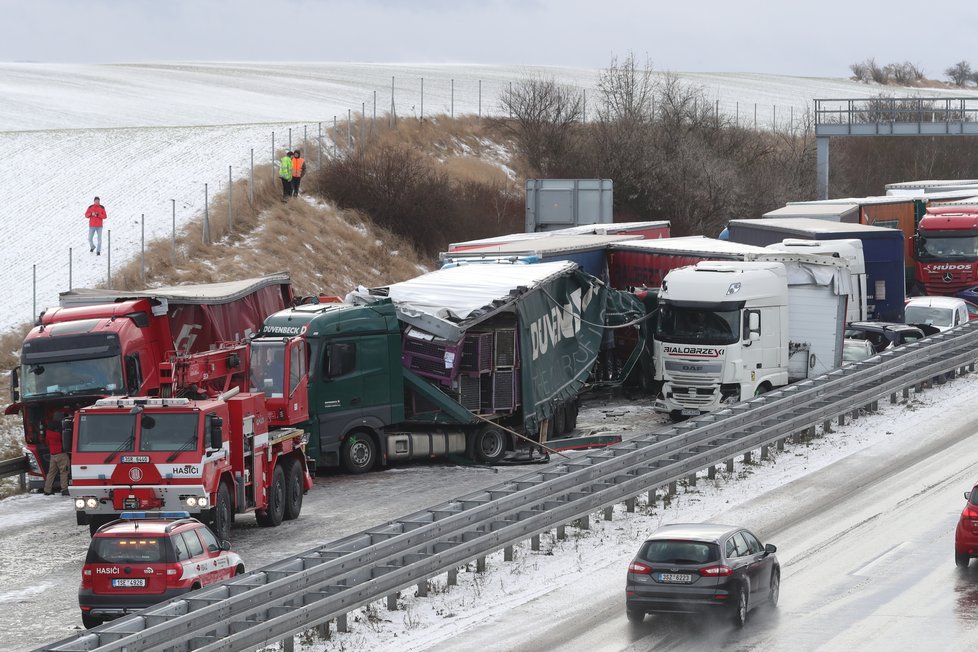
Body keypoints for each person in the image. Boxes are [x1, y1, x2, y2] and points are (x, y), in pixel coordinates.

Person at [43, 413, 70, 496]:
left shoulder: (48, 433)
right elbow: (66, 441)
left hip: (53, 455)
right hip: (61, 454)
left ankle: (47, 490)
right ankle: (64, 489)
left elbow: (47, 442)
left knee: (51, 473)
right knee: (64, 472)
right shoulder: (60, 431)